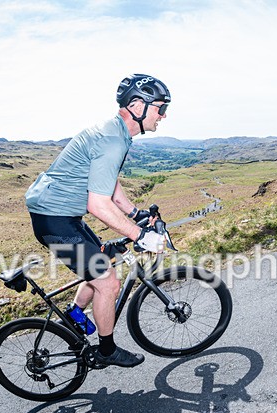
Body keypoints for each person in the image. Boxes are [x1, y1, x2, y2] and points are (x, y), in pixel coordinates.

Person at [25, 73, 171, 368]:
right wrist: (140, 235)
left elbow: (108, 184)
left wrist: (134, 213)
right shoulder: (112, 140)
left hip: (61, 214)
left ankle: (74, 316)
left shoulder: (117, 132)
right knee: (108, 283)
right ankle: (106, 351)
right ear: (137, 106)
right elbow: (98, 204)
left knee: (103, 261)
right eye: (160, 108)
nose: (163, 115)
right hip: (54, 219)